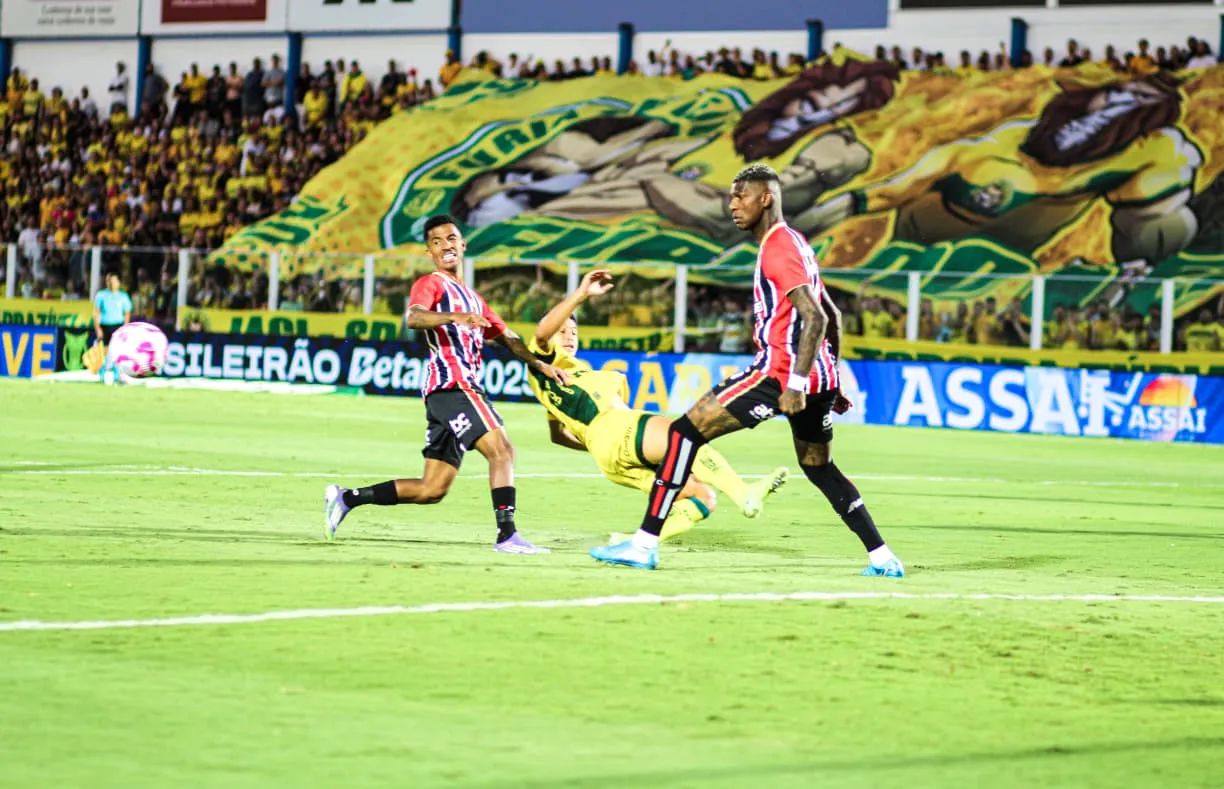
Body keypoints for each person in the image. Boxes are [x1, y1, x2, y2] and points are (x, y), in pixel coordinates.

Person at [591, 165, 904, 576]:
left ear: (766, 198)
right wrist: (834, 380)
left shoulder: (778, 247)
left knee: (683, 433)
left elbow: (816, 318)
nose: (732, 204)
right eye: (732, 196)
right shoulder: (798, 244)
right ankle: (883, 558)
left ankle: (645, 544)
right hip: (819, 376)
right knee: (818, 467)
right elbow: (834, 313)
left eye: (741, 196)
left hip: (779, 374)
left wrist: (794, 384)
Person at [324, 214, 567, 554]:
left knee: (431, 489)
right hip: (455, 387)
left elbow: (509, 338)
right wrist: (454, 317)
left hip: (445, 395)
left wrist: (541, 364)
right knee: (503, 450)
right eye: (436, 242)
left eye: (451, 238)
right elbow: (414, 317)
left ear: (462, 244)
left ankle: (346, 498)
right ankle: (507, 535)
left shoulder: (474, 299)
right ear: (430, 252)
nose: (445, 245)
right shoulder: (433, 283)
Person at [526, 269, 788, 543]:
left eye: (574, 331)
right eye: (562, 331)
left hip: (610, 458)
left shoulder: (562, 380)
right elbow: (542, 334)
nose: (569, 337)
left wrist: (592, 443)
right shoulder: (544, 362)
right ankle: (743, 493)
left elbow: (557, 436)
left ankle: (636, 543)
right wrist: (580, 295)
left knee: (701, 497)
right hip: (615, 428)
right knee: (686, 435)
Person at [93, 272, 131, 346]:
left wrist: (124, 329)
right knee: (104, 349)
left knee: (117, 349)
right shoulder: (101, 295)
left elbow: (127, 313)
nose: (112, 283)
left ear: (118, 282)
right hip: (104, 326)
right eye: (110, 281)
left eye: (114, 281)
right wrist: (98, 329)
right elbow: (96, 312)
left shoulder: (123, 296)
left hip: (118, 327)